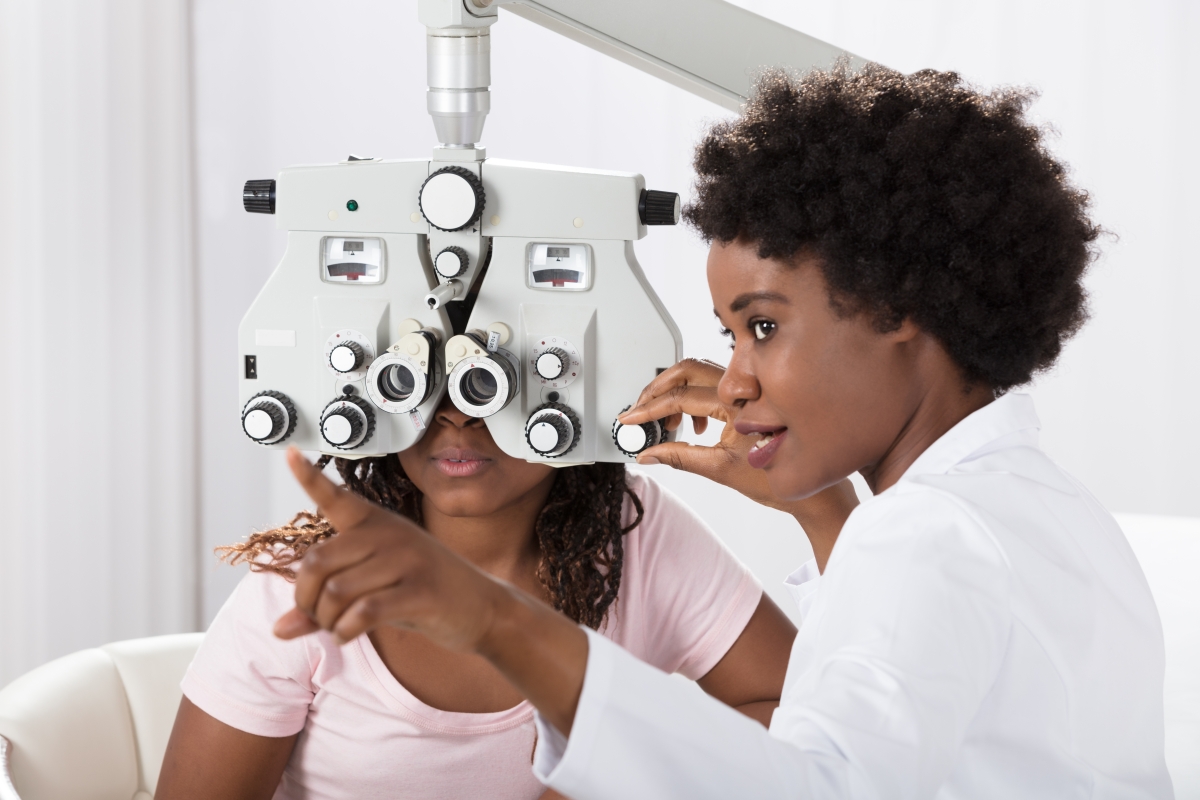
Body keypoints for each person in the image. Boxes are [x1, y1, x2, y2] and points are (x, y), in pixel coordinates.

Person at [267, 62, 1173, 798]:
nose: (732, 383)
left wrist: (498, 622)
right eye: (730, 336)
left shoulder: (928, 533)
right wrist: (820, 510)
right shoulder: (1039, 506)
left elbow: (817, 787)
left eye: (764, 327)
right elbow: (892, 720)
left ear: (898, 306)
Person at [156, 392, 851, 800]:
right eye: (423, 377)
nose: (459, 415)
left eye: (495, 379)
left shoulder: (637, 534)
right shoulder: (304, 585)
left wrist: (603, 768)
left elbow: (803, 720)